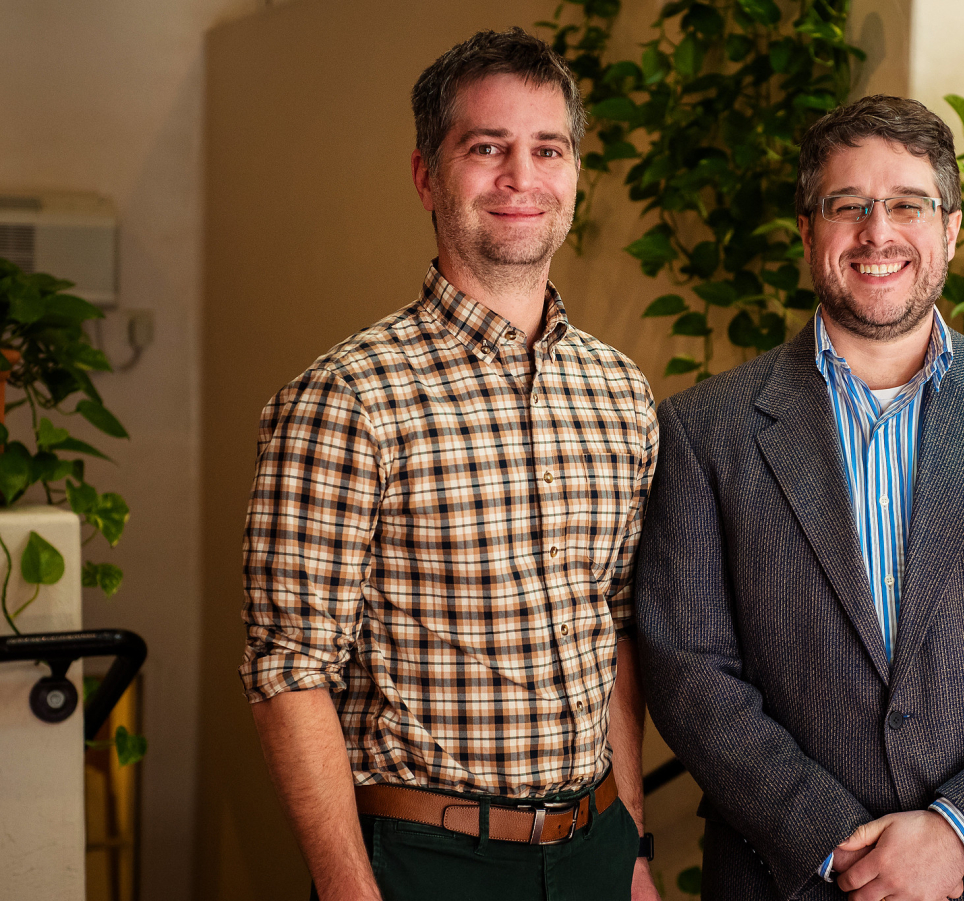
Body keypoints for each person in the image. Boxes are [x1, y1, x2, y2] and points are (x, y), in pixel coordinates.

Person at [635, 95, 964, 901]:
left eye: (908, 204)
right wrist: (842, 846)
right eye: (849, 206)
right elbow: (690, 672)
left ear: (952, 230)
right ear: (808, 230)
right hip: (792, 880)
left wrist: (956, 833)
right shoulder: (705, 431)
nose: (878, 232)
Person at [240, 28, 660, 901]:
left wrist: (634, 851)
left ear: (574, 174)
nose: (521, 176)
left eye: (548, 148)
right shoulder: (345, 398)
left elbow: (616, 629)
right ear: (428, 175)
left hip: (593, 851)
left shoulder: (620, 392)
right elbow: (289, 671)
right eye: (486, 148)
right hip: (422, 864)